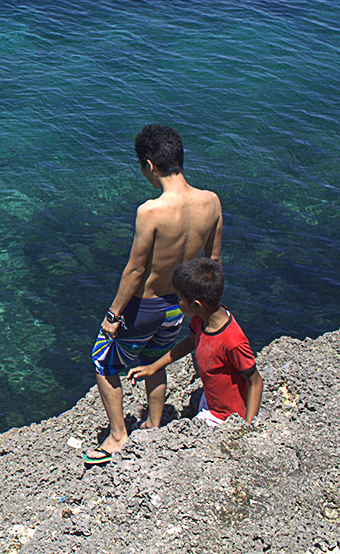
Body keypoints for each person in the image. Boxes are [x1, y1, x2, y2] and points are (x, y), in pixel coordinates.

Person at [83, 124, 223, 466]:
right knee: (153, 360)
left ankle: (118, 436)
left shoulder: (151, 212)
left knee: (103, 360)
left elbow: (134, 271)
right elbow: (213, 263)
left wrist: (113, 316)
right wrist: (205, 313)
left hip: (145, 306)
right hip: (181, 306)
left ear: (149, 165)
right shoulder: (211, 202)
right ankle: (155, 424)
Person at [127, 258, 263, 426]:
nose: (178, 304)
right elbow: (191, 342)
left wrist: (248, 427)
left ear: (197, 305)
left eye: (180, 299)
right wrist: (153, 367)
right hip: (209, 401)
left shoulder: (232, 341)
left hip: (224, 417)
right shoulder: (202, 319)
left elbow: (255, 381)